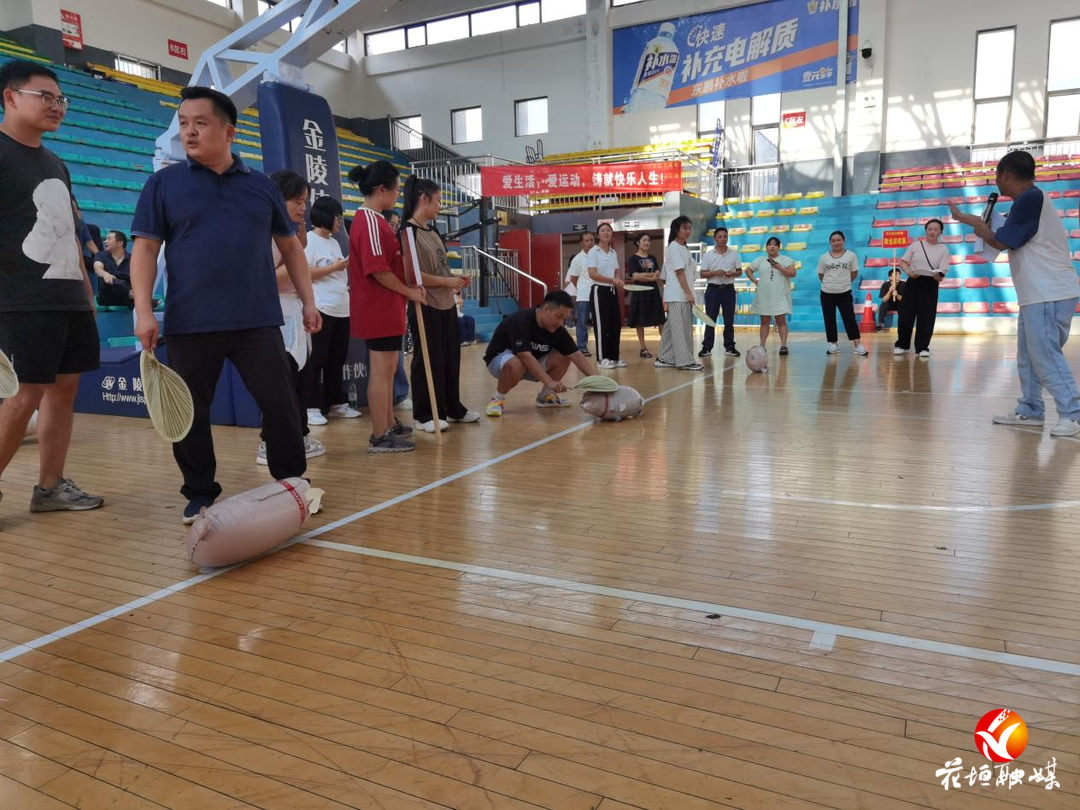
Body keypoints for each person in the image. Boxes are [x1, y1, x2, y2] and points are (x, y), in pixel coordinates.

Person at [130, 86, 320, 522]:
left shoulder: (260, 186)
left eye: (200, 123)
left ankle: (292, 482)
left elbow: (290, 248)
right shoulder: (163, 184)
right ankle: (199, 492)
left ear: (228, 130)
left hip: (257, 320)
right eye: (183, 124)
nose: (189, 132)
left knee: (281, 404)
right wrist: (143, 310)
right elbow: (144, 250)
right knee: (190, 413)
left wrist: (308, 301)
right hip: (190, 322)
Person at [0, 60, 103, 512]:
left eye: (60, 99)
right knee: (24, 396)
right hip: (20, 300)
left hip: (67, 297)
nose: (56, 106)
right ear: (10, 97)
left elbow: (71, 234)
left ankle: (50, 487)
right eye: (45, 96)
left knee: (64, 390)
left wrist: (85, 292)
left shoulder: (55, 161)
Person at [951, 150, 1080, 437]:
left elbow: (1000, 240)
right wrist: (964, 218)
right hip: (1039, 294)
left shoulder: (1030, 199)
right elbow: (996, 226)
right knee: (1028, 355)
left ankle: (1073, 414)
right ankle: (1031, 409)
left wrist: (984, 233)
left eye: (997, 176)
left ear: (1006, 175)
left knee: (1045, 355)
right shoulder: (1028, 202)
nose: (997, 181)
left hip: (1049, 292)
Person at [347, 159, 422, 452]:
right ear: (381, 190)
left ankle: (388, 422)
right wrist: (408, 291)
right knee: (381, 370)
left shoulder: (377, 220)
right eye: (395, 190)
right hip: (377, 308)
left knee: (389, 369)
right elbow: (378, 270)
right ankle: (379, 435)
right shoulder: (368, 221)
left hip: (388, 307)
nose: (398, 196)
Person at [254, 169, 325, 466]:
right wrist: (298, 257)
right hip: (273, 318)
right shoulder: (262, 235)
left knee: (300, 380)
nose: (302, 208)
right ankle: (270, 443)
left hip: (294, 314)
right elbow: (272, 280)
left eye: (305, 201)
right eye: (297, 200)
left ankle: (297, 435)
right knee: (280, 385)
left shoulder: (289, 236)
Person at [399, 175, 478, 433]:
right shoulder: (407, 231)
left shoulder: (432, 230)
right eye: (438, 201)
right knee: (427, 359)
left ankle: (452, 407)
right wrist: (447, 282)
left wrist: (453, 281)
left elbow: (440, 268)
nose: (440, 206)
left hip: (446, 304)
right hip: (425, 304)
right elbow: (413, 276)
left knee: (450, 358)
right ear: (423, 199)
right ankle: (425, 414)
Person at [484, 290, 596, 416]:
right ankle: (497, 399)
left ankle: (545, 397)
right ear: (546, 308)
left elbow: (576, 354)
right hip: (500, 362)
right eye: (559, 316)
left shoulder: (557, 329)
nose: (561, 323)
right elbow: (524, 355)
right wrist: (549, 381)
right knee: (516, 363)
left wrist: (597, 382)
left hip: (527, 364)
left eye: (564, 319)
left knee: (564, 357)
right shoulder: (521, 320)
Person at [303, 195, 359, 425]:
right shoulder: (309, 240)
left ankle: (336, 403)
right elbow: (305, 272)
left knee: (337, 359)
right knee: (316, 359)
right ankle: (312, 406)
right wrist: (335, 267)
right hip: (322, 307)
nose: (340, 221)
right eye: (337, 216)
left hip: (341, 309)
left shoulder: (335, 242)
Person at [894, 219, 950, 358]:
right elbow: (902, 262)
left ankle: (923, 347)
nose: (932, 232)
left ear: (941, 232)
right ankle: (901, 344)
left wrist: (938, 276)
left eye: (936, 229)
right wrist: (909, 272)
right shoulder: (916, 245)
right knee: (906, 314)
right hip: (913, 281)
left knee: (927, 316)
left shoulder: (943, 249)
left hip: (931, 284)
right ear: (926, 230)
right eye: (929, 229)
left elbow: (942, 274)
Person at [656, 216, 703, 371]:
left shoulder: (684, 248)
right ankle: (684, 361)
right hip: (678, 296)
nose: (688, 231)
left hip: (681, 294)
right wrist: (688, 294)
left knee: (671, 328)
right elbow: (679, 273)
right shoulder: (673, 247)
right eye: (685, 228)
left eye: (690, 228)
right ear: (677, 229)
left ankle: (664, 358)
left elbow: (664, 276)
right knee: (680, 329)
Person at [817, 230, 867, 356]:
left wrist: (843, 282)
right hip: (826, 293)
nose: (836, 242)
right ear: (830, 242)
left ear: (843, 241)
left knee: (849, 319)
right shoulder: (824, 257)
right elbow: (821, 274)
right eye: (833, 241)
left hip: (844, 292)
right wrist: (830, 284)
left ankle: (858, 345)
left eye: (838, 240)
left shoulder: (851, 255)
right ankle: (833, 344)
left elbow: (854, 272)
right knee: (829, 319)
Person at [698, 225, 742, 358]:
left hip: (728, 289)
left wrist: (731, 274)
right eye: (720, 237)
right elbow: (702, 273)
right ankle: (706, 348)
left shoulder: (734, 253)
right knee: (710, 318)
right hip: (713, 289)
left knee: (729, 319)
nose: (723, 239)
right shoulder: (708, 255)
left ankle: (730, 347)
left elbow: (739, 271)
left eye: (725, 236)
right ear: (715, 238)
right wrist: (714, 273)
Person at [747, 237, 797, 353]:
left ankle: (783, 346)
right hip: (764, 296)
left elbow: (793, 273)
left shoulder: (785, 259)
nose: (772, 246)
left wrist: (780, 267)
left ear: (779, 247)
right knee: (764, 321)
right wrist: (755, 281)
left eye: (775, 245)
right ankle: (762, 346)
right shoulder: (760, 260)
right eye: (769, 244)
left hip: (779, 295)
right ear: (766, 247)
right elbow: (748, 270)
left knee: (781, 320)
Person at [587, 223, 625, 368]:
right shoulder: (593, 252)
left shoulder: (613, 253)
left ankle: (614, 357)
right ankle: (602, 359)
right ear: (598, 234)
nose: (606, 233)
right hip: (599, 291)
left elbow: (616, 271)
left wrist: (616, 279)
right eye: (603, 231)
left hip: (612, 291)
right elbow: (593, 274)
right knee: (601, 326)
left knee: (615, 325)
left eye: (608, 230)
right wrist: (611, 280)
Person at [625, 232, 665, 359]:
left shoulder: (652, 258)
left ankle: (665, 347)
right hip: (639, 291)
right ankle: (643, 348)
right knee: (639, 320)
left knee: (660, 319)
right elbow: (635, 276)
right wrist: (650, 277)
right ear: (638, 242)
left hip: (653, 291)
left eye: (648, 240)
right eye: (644, 240)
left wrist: (647, 276)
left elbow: (658, 273)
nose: (647, 243)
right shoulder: (633, 259)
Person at [567, 231, 595, 355]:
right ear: (581, 243)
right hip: (583, 295)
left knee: (598, 322)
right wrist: (583, 287)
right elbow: (573, 279)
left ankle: (601, 346)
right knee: (582, 321)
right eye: (587, 240)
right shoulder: (577, 259)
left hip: (598, 293)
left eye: (592, 240)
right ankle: (582, 347)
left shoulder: (597, 255)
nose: (590, 242)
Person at [93, 230, 134, 308]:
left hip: (126, 296)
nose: (105, 241)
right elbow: (98, 269)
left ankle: (131, 296)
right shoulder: (100, 255)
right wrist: (105, 274)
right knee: (109, 281)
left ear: (120, 243)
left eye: (109, 239)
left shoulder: (132, 259)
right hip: (108, 296)